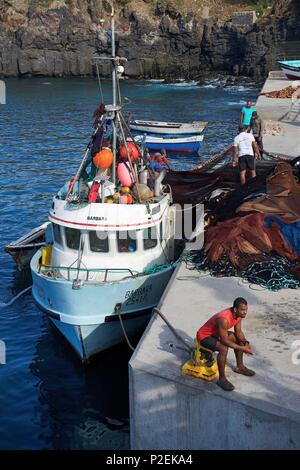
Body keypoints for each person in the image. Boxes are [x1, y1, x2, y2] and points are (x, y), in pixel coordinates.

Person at [196, 298, 255, 392]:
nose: (245, 312)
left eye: (246, 309)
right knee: (223, 348)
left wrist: (245, 343)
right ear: (235, 309)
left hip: (216, 334)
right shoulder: (224, 319)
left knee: (238, 339)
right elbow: (224, 341)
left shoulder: (239, 315)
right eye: (243, 310)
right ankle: (222, 379)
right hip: (204, 336)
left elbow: (238, 332)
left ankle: (240, 367)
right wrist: (242, 348)